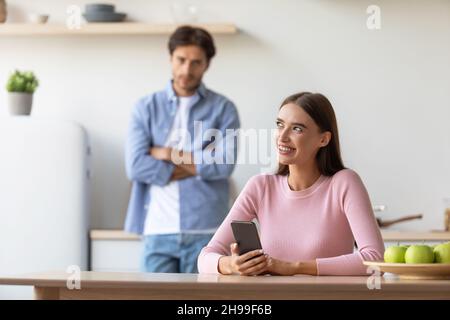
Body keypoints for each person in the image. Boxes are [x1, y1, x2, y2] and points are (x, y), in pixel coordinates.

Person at [197, 92, 384, 276]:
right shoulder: (261, 187)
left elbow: (375, 260)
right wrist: (230, 264)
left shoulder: (344, 183)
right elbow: (205, 258)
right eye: (280, 125)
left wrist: (294, 267)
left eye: (297, 129)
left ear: (324, 139)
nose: (282, 137)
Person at [124, 25, 240, 273]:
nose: (187, 69)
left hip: (207, 231)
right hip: (157, 230)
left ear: (207, 64)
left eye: (196, 62)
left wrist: (166, 154)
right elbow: (136, 166)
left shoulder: (224, 109)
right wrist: (200, 163)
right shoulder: (145, 108)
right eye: (181, 60)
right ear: (170, 58)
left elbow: (224, 164)